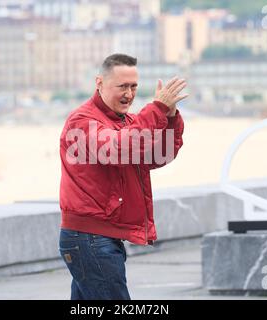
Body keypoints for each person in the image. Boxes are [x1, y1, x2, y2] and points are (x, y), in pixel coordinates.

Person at [59, 53, 187, 300]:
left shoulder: (127, 122)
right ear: (99, 83)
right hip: (89, 239)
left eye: (134, 86)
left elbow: (158, 156)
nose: (129, 94)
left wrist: (169, 118)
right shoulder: (82, 121)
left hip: (100, 238)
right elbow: (118, 149)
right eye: (122, 86)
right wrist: (156, 109)